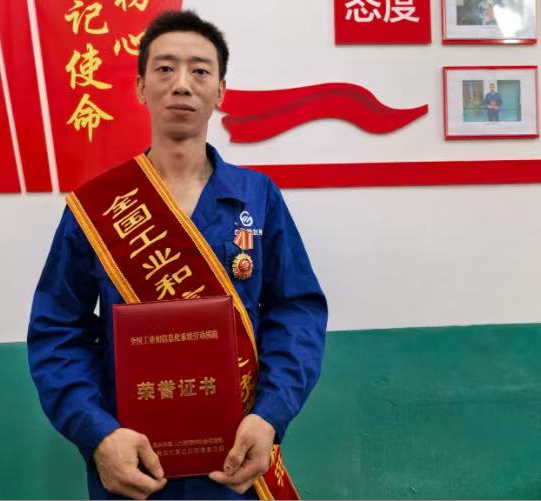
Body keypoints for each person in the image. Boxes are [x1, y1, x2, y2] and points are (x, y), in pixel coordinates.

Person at [27, 10, 328, 501]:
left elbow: (297, 312)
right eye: (165, 68)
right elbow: (59, 328)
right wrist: (98, 434)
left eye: (200, 71)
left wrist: (270, 416)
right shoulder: (99, 206)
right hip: (133, 467)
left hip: (238, 461)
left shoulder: (257, 197)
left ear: (220, 91)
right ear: (140, 87)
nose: (182, 84)